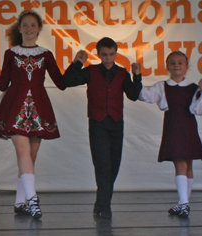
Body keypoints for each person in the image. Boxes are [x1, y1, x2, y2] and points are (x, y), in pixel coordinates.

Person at [0, 10, 65, 219]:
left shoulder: (46, 54)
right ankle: (33, 201)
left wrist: (77, 63)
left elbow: (60, 82)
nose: (29, 29)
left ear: (39, 28)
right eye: (25, 25)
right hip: (15, 108)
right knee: (23, 153)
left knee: (30, 156)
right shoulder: (11, 53)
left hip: (38, 109)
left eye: (33, 25)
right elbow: (4, 83)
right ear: (20, 28)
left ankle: (20, 202)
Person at [63, 37, 142, 219]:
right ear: (98, 54)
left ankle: (101, 201)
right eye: (104, 55)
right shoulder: (90, 71)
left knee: (114, 165)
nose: (108, 58)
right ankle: (105, 207)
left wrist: (137, 76)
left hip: (116, 124)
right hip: (97, 123)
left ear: (116, 53)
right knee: (102, 165)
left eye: (111, 54)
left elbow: (133, 95)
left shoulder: (122, 73)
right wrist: (77, 63)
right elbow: (67, 81)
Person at [138, 51, 202, 217]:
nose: (176, 65)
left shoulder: (193, 88)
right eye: (172, 63)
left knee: (188, 165)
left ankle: (184, 203)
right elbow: (145, 96)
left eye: (180, 62)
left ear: (186, 66)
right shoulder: (162, 86)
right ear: (167, 66)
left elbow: (198, 109)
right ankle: (183, 203)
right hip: (173, 127)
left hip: (189, 127)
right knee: (180, 164)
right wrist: (136, 78)